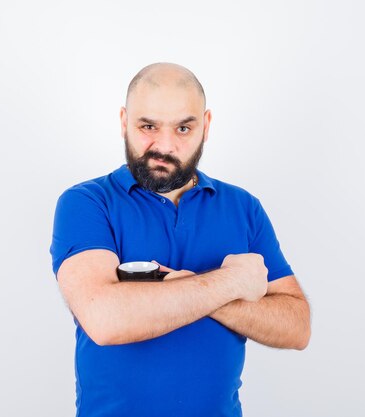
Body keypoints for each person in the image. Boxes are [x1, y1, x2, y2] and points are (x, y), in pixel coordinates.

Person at [50, 62, 311, 417]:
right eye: (148, 126)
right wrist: (231, 282)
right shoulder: (87, 203)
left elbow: (296, 326)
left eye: (184, 128)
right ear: (124, 121)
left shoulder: (243, 207)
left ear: (206, 126)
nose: (165, 145)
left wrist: (203, 294)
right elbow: (105, 319)